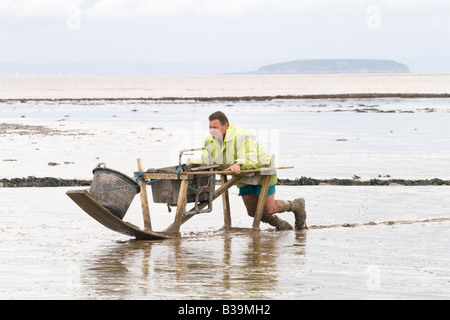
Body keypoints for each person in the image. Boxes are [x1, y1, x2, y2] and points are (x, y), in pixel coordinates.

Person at [196, 111, 307, 231]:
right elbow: (206, 159)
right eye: (210, 127)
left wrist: (238, 164)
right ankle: (280, 224)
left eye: (215, 127)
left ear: (225, 126)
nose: (212, 130)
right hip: (242, 175)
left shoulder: (241, 136)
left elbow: (250, 158)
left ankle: (295, 205)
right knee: (252, 211)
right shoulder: (209, 141)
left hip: (263, 172)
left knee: (269, 208)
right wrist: (193, 164)